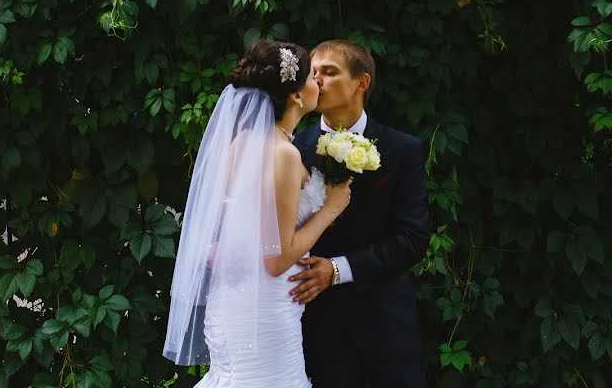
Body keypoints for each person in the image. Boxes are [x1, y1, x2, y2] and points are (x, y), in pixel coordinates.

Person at [163, 40, 353, 387]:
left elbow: (239, 232)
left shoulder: (242, 144)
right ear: (296, 96)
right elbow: (275, 258)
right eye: (313, 76)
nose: (319, 84)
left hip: (233, 301)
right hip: (264, 311)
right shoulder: (284, 154)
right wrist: (331, 209)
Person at [291, 39, 430, 388]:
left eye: (330, 72)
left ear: (361, 82)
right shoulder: (291, 149)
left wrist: (337, 270)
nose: (318, 80)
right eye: (313, 72)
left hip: (386, 328)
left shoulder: (402, 149)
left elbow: (412, 239)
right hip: (317, 330)